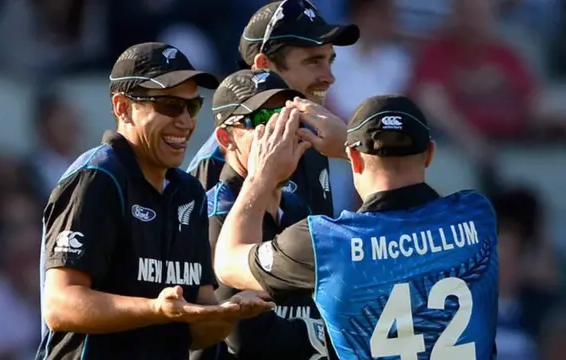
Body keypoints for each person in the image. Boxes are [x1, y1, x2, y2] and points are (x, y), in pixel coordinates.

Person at [36, 42, 275, 360]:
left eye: (192, 107)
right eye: (169, 105)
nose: (186, 122)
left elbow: (195, 327)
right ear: (122, 107)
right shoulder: (98, 178)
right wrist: (158, 309)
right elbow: (61, 304)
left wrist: (227, 314)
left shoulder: (189, 192)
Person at [213, 95, 499, 359]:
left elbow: (227, 262)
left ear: (354, 159)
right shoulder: (477, 216)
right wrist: (347, 144)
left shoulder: (326, 243)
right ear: (430, 154)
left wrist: (261, 177)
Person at [186, 0, 360, 217]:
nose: (329, 78)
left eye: (329, 62)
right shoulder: (221, 159)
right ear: (264, 66)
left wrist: (351, 149)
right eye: (314, 62)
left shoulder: (313, 135)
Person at [203, 69, 327, 359]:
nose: (280, 131)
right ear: (226, 138)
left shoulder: (297, 207)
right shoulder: (213, 213)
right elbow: (245, 338)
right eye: (262, 120)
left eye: (286, 117)